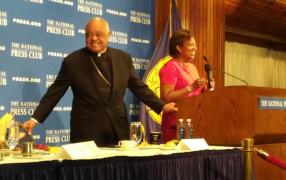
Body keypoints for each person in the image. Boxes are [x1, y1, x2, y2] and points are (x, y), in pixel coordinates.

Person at [22, 17, 177, 147]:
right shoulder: (72, 61)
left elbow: (139, 87)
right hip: (86, 132)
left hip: (117, 129)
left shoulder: (123, 58)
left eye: (98, 34)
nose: (94, 39)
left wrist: (161, 105)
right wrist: (34, 119)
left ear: (109, 35)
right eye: (89, 35)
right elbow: (54, 93)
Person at [159, 29, 214, 143]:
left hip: (195, 120)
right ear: (179, 48)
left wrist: (206, 88)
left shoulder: (192, 67)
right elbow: (166, 96)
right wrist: (191, 87)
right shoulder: (170, 67)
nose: (195, 48)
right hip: (176, 123)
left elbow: (196, 94)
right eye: (191, 45)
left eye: (195, 45)